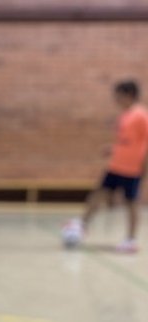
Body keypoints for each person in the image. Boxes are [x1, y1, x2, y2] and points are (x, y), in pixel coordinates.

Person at [63, 80, 148, 253]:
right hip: (116, 165)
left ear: (129, 95)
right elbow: (128, 141)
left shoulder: (141, 116)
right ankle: (82, 224)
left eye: (118, 96)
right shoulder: (125, 115)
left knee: (131, 202)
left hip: (132, 169)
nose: (116, 99)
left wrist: (143, 168)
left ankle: (130, 240)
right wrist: (113, 149)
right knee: (99, 192)